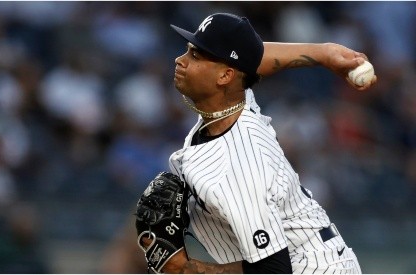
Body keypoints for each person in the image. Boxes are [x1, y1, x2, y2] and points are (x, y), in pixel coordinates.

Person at [139, 12, 377, 274]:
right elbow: (251, 58)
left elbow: (273, 271)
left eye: (195, 55)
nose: (180, 60)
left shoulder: (235, 165)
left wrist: (184, 269)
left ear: (224, 76)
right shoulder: (234, 102)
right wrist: (324, 54)